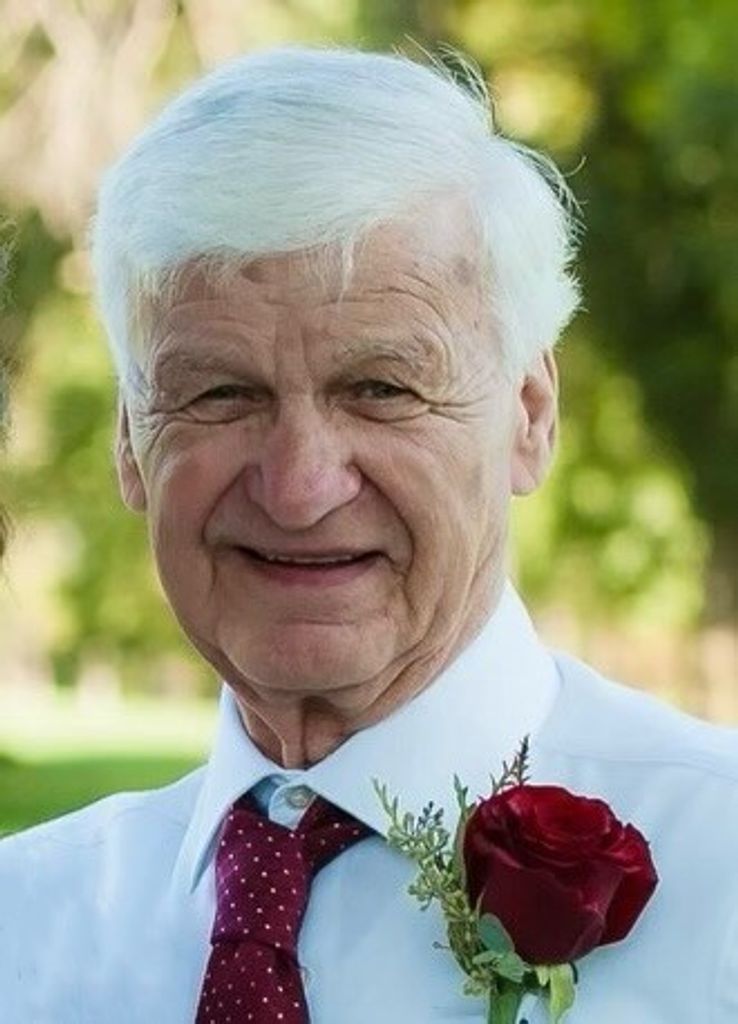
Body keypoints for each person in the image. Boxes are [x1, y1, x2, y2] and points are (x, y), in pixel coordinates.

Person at [0, 47, 736, 1024]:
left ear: (528, 414)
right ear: (130, 443)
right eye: (220, 393)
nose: (299, 488)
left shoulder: (721, 876)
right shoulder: (25, 925)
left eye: (381, 388)